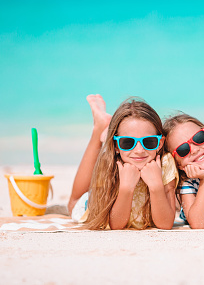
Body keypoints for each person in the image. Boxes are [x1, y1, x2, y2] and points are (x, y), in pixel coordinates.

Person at [68, 95, 178, 230]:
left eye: (149, 142)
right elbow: (116, 225)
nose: (139, 150)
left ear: (160, 143)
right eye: (127, 142)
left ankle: (105, 128)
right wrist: (126, 188)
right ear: (116, 146)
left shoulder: (165, 163)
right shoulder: (111, 163)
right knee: (73, 203)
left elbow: (165, 224)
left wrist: (156, 187)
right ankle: (99, 129)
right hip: (91, 203)